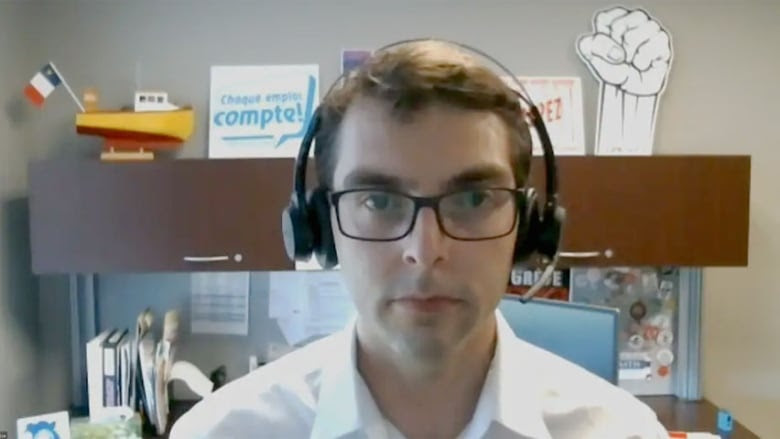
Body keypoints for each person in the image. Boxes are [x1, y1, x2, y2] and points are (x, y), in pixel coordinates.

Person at [170, 40, 668, 439]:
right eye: (379, 201)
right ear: (319, 227)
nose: (426, 251)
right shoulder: (222, 431)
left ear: (529, 226)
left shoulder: (623, 431)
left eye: (473, 200)